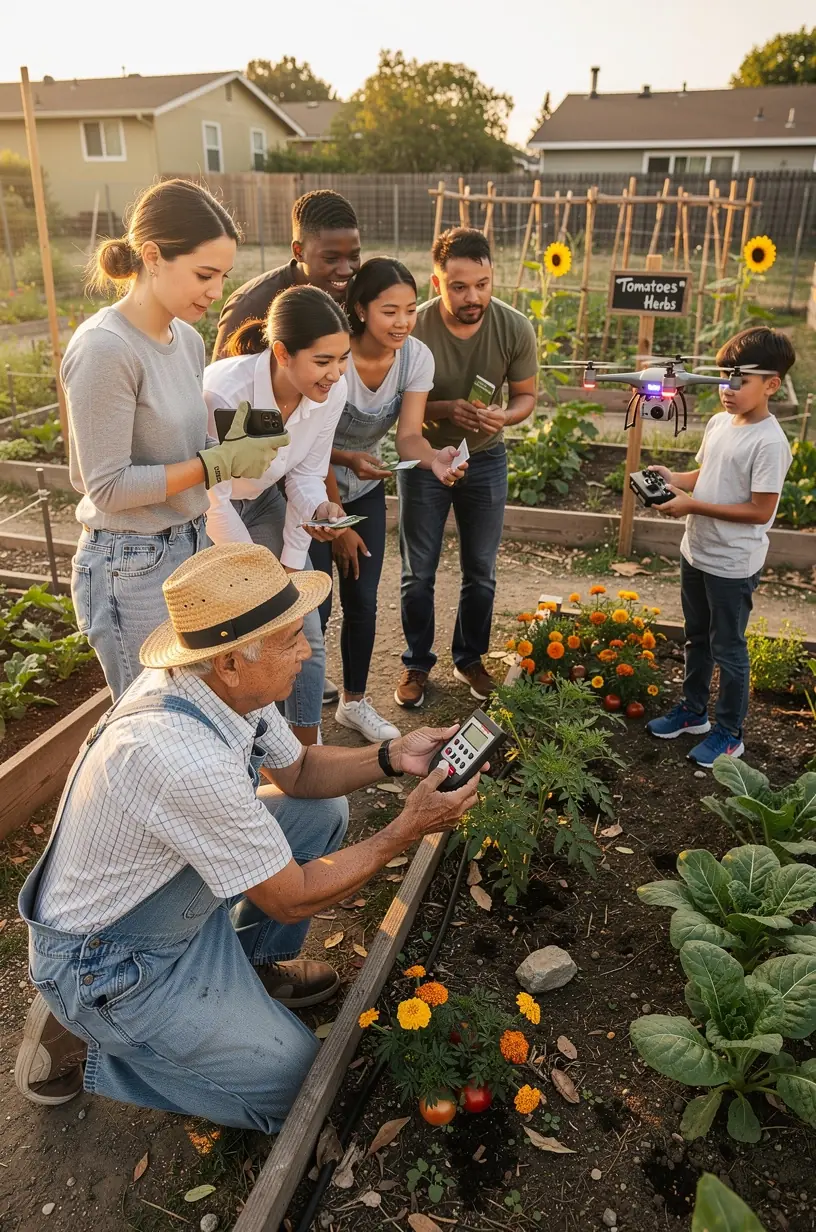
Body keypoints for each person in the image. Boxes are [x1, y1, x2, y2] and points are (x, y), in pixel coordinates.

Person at [14, 542, 479, 1131]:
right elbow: (293, 894)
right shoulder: (181, 757)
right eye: (292, 641)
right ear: (231, 661)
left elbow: (304, 773)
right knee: (297, 1086)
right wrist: (407, 828)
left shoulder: (220, 687)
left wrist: (392, 755)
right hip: (113, 959)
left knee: (321, 812)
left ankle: (253, 970)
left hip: (157, 901)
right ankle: (82, 1030)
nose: (307, 652)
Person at [64, 178, 281, 700]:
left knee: (200, 709)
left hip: (190, 542)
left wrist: (239, 437)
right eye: (204, 274)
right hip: (129, 563)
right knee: (156, 722)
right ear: (153, 256)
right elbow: (108, 488)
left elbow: (190, 441)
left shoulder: (185, 338)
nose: (217, 291)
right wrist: (217, 464)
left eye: (224, 276)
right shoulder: (106, 349)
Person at [309, 258, 467, 743]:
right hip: (310, 490)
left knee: (363, 598)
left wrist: (435, 461)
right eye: (388, 311)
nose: (402, 322)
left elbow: (409, 439)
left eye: (411, 310)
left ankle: (353, 703)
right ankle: (302, 715)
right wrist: (337, 524)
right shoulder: (334, 358)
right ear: (360, 309)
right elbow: (310, 445)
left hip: (368, 487)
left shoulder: (416, 358)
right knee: (314, 602)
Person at [394, 228, 538, 710]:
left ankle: (469, 657)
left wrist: (505, 416)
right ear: (437, 284)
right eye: (459, 286)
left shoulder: (514, 327)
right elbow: (395, 405)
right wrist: (444, 410)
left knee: (482, 570)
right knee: (419, 571)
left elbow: (526, 397)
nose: (472, 295)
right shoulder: (412, 329)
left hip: (486, 457)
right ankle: (416, 663)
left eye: (482, 283)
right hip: (422, 458)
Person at [203, 286, 350, 745]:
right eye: (323, 361)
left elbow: (305, 475)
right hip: (210, 508)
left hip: (265, 499)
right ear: (282, 352)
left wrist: (318, 512)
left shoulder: (332, 392)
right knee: (244, 640)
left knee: (302, 626)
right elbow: (214, 497)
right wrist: (262, 575)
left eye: (343, 358)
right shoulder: (225, 393)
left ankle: (308, 749)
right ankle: (249, 748)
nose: (336, 373)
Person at [646, 326, 795, 768]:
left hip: (732, 564)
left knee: (728, 647)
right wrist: (673, 479)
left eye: (739, 379)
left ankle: (730, 732)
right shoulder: (718, 423)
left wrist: (693, 504)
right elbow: (706, 475)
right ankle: (694, 713)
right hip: (697, 551)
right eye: (723, 376)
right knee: (697, 639)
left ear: (772, 384)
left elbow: (758, 511)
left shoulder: (770, 442)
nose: (726, 388)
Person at [212, 190, 361, 362]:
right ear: (299, 251)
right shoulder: (251, 304)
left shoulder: (357, 297)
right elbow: (219, 381)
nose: (346, 270)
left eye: (354, 257)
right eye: (331, 259)